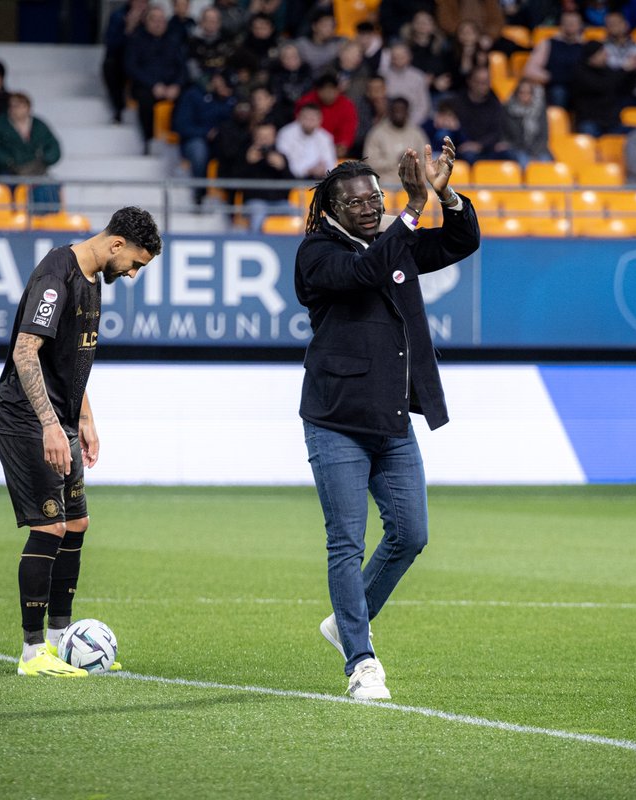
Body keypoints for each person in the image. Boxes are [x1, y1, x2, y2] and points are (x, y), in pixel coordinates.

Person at [294, 138, 480, 700]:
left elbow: (461, 240)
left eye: (376, 197)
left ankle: (347, 617)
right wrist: (412, 207)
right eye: (357, 202)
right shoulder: (317, 255)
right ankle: (361, 661)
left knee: (411, 533)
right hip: (336, 419)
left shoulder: (391, 240)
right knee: (345, 542)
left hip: (392, 419)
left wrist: (443, 195)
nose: (371, 207)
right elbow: (366, 271)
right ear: (331, 211)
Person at [0, 207, 162, 678]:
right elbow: (27, 351)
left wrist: (84, 417)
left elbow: (70, 358)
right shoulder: (56, 274)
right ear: (116, 245)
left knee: (78, 523)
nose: (131, 275)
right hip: (25, 416)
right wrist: (49, 424)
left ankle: (62, 639)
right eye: (135, 265)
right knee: (50, 528)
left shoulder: (91, 278)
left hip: (60, 417)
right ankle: (31, 653)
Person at [0, 92, 62, 212]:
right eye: (12, 106)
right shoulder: (0, 125)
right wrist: (8, 162)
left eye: (19, 106)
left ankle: (47, 220)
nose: (14, 109)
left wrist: (45, 160)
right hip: (10, 172)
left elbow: (53, 147)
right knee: (7, 191)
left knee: (50, 186)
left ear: (27, 107)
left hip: (38, 172)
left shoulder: (39, 125)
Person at [124, 5, 184, 153]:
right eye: (154, 20)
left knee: (188, 97)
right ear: (146, 21)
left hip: (170, 86)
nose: (158, 23)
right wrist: (153, 85)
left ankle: (177, 139)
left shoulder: (173, 41)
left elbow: (182, 68)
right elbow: (131, 67)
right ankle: (148, 140)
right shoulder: (136, 40)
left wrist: (176, 85)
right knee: (145, 100)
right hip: (145, 86)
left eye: (162, 20)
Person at [569, 40, 636, 137]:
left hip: (611, 123)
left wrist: (633, 72)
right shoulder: (580, 73)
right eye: (601, 53)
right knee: (588, 134)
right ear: (591, 57)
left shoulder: (608, 71)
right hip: (590, 122)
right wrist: (624, 70)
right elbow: (601, 86)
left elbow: (625, 90)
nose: (606, 55)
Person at [520, 9, 586, 110]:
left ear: (580, 25)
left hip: (579, 87)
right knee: (558, 92)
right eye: (566, 23)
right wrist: (550, 77)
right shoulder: (548, 43)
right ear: (560, 24)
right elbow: (529, 70)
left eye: (573, 23)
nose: (569, 26)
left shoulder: (585, 46)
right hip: (554, 86)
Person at [236, 122, 295, 231]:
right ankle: (254, 243)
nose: (264, 140)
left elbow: (292, 183)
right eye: (261, 137)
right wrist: (248, 163)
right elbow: (234, 183)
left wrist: (283, 168)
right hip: (255, 202)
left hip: (279, 202)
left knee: (297, 213)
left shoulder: (281, 156)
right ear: (254, 138)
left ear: (274, 138)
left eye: (267, 137)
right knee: (258, 212)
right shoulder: (245, 155)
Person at [448, 66, 511, 163]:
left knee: (509, 156)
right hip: (462, 148)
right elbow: (452, 130)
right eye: (479, 82)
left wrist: (479, 145)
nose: (482, 86)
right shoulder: (457, 102)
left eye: (486, 82)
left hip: (487, 148)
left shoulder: (495, 104)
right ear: (470, 81)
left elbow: (497, 131)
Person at [102, 0, 148, 124]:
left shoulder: (152, 17)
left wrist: (148, 28)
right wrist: (128, 30)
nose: (141, 4)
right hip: (124, 62)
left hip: (146, 64)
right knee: (110, 66)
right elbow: (111, 45)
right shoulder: (118, 16)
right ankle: (119, 108)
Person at [296, 72, 359, 158]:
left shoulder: (347, 105)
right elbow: (299, 127)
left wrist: (342, 145)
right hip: (306, 148)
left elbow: (348, 130)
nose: (328, 94)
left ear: (338, 90)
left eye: (332, 90)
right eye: (325, 90)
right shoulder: (306, 102)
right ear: (318, 90)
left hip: (335, 150)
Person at [364, 96, 428, 178]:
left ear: (408, 112)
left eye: (402, 110)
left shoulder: (417, 133)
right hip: (385, 183)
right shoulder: (377, 133)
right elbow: (370, 162)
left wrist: (412, 161)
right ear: (390, 112)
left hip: (412, 183)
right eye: (396, 110)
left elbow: (426, 161)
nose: (399, 114)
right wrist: (395, 161)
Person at [276, 103, 337, 179]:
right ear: (299, 117)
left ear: (320, 120)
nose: (309, 122)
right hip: (291, 180)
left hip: (319, 180)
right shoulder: (286, 134)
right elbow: (283, 163)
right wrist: (307, 171)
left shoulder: (325, 137)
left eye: (312, 119)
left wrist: (323, 169)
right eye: (306, 118)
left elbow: (331, 164)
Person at [503, 78, 552, 170]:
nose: (525, 96)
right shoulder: (508, 111)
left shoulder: (539, 111)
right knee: (524, 163)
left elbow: (543, 136)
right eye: (521, 93)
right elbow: (510, 137)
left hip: (539, 149)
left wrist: (535, 154)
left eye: (528, 93)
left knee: (546, 165)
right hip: (517, 149)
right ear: (516, 94)